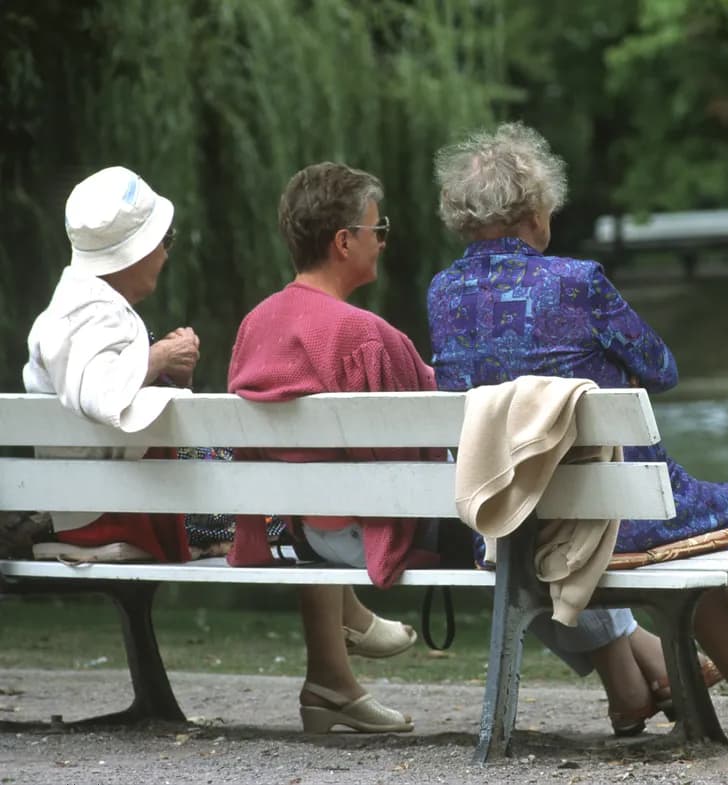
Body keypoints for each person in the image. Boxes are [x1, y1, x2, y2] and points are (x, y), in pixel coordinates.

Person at [427, 122, 728, 751]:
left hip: (511, 520)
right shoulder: (575, 281)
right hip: (613, 518)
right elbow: (661, 369)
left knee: (690, 538)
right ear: (533, 212)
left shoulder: (442, 293)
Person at [227, 163, 431, 734]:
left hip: (299, 528)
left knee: (321, 482)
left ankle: (335, 675)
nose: (383, 240)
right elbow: (420, 445)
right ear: (344, 242)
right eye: (377, 228)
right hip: (361, 534)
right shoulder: (363, 333)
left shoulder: (254, 324)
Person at [23, 166, 200, 563]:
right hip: (106, 507)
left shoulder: (74, 306)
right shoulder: (91, 313)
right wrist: (159, 357)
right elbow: (100, 393)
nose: (167, 253)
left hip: (96, 495)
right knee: (250, 491)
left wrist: (169, 371)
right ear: (134, 253)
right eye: (164, 241)